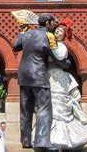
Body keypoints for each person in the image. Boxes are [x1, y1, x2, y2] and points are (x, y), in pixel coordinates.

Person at [13, 13, 70, 151]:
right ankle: (42, 142)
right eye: (52, 23)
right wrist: (65, 63)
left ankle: (26, 140)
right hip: (38, 75)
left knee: (25, 109)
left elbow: (15, 46)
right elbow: (56, 56)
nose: (54, 25)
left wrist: (22, 32)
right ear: (48, 23)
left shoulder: (27, 34)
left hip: (24, 75)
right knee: (44, 108)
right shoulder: (49, 36)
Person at [48, 19, 87, 149]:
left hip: (57, 77)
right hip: (46, 76)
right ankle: (50, 139)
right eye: (57, 30)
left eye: (61, 31)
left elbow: (60, 57)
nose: (58, 32)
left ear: (64, 35)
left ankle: (64, 141)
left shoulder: (61, 46)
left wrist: (51, 46)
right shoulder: (48, 43)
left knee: (59, 107)